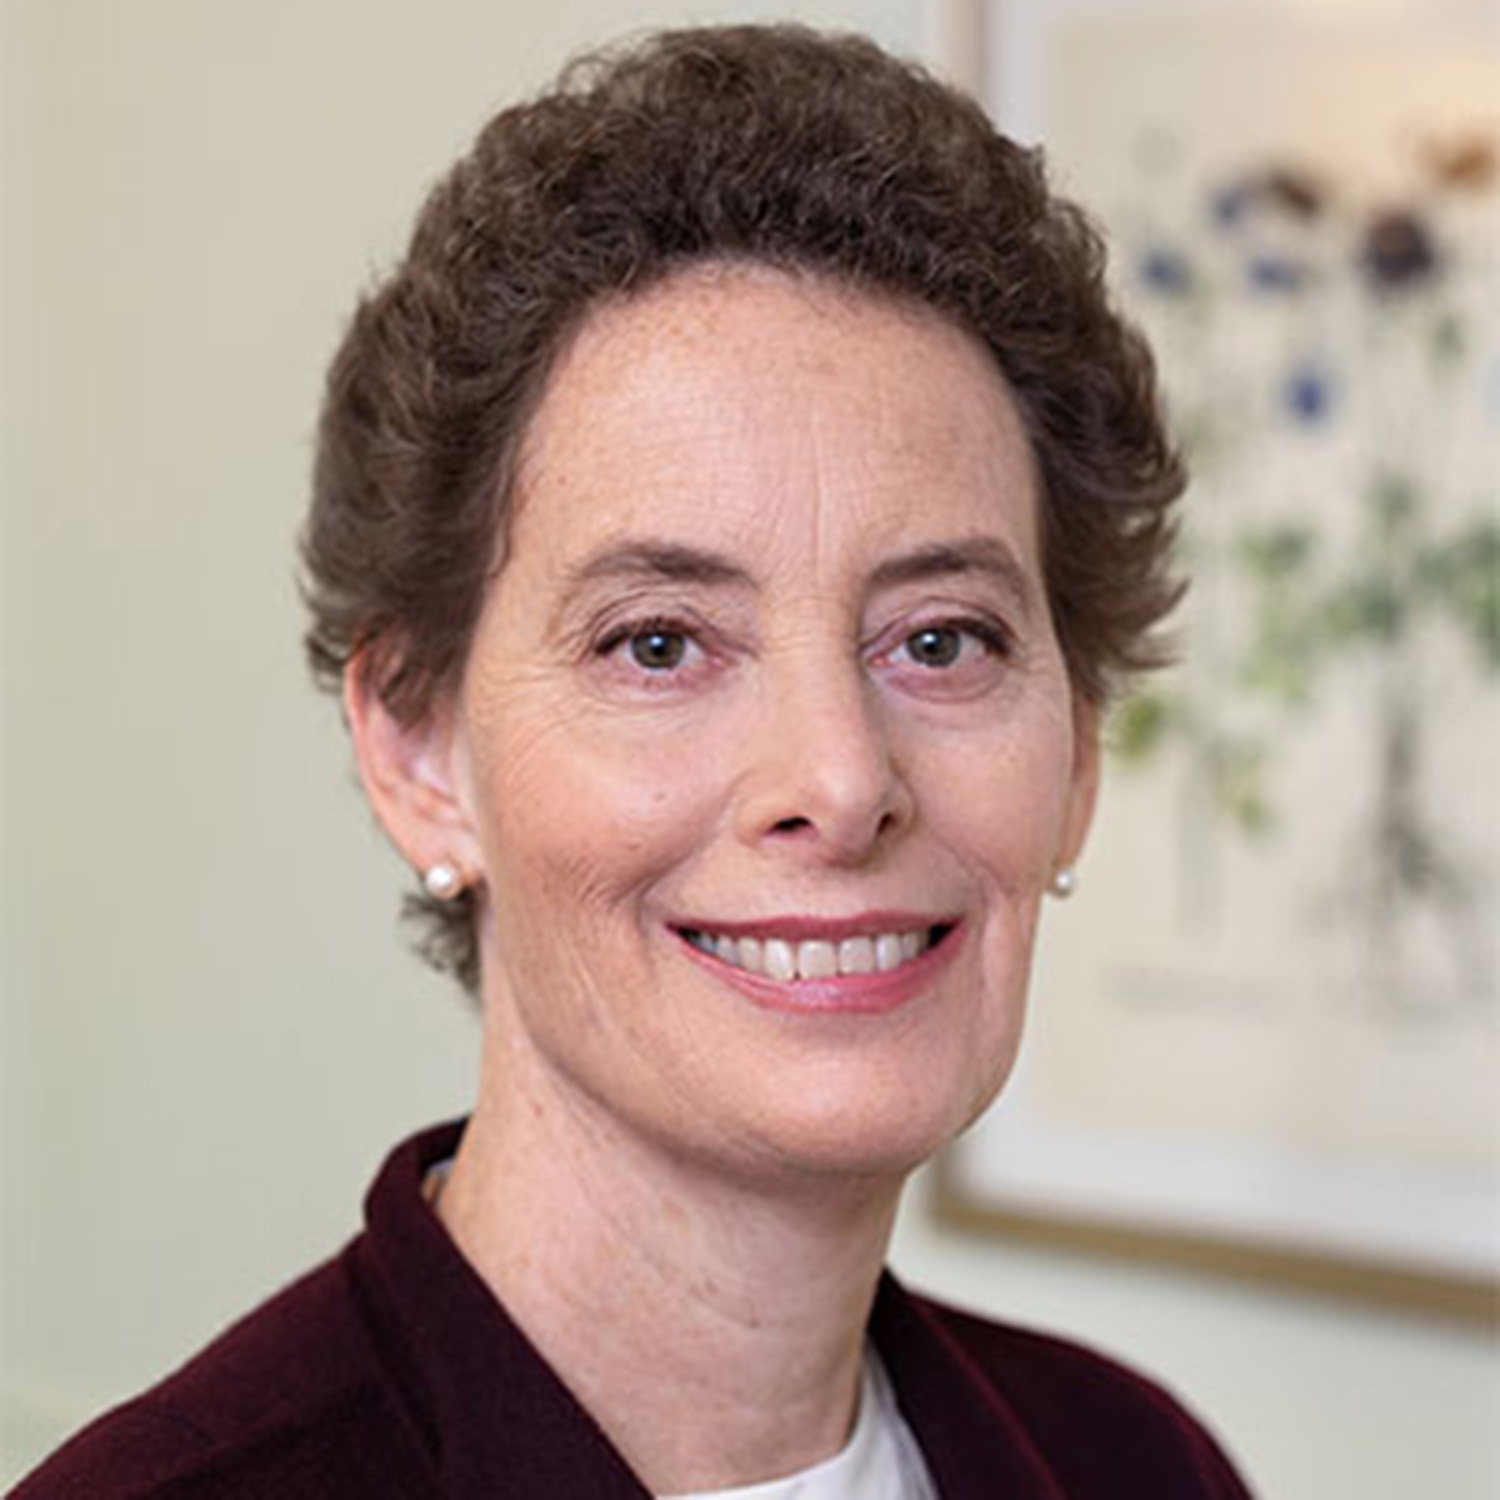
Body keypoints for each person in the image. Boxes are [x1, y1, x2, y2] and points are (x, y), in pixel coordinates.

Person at [13, 24, 1253, 1499]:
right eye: (660, 643)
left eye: (941, 640)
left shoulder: (1139, 1465)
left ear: (1081, 755)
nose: (843, 780)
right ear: (417, 749)